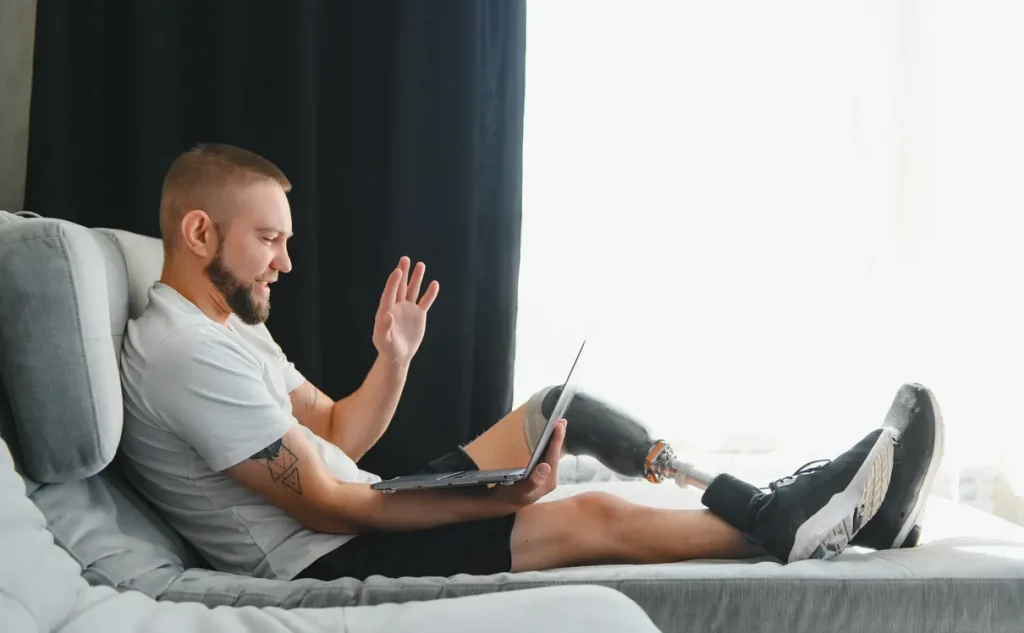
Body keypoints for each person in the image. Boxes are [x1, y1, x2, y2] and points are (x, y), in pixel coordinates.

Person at [118, 143, 943, 583]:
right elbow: (332, 506)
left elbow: (339, 432)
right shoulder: (184, 353)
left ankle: (797, 503)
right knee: (588, 518)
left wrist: (393, 359)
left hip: (356, 509)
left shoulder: (226, 324)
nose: (284, 263)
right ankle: (792, 518)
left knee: (556, 404)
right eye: (270, 239)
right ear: (199, 232)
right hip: (328, 556)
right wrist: (496, 501)